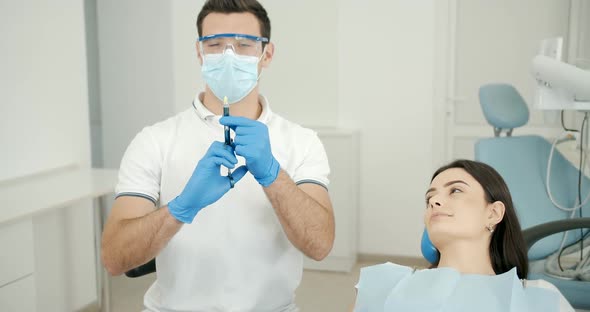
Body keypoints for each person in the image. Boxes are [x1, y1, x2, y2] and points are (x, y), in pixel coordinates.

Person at [100, 1, 335, 311]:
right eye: (215, 45)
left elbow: (319, 245)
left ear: (267, 53)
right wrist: (182, 208)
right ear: (199, 52)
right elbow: (115, 258)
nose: (229, 56)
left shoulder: (302, 142)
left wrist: (273, 175)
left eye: (243, 45)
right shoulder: (154, 141)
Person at [352, 159, 574, 312]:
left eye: (455, 190)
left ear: (493, 213)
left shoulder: (539, 297)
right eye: (430, 197)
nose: (434, 202)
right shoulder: (386, 283)